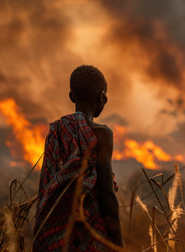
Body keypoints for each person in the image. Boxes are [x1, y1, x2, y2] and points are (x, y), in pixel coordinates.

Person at [33, 65, 124, 251]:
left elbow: (47, 186)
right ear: (103, 97)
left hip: (55, 235)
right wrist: (119, 243)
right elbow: (107, 193)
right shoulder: (102, 134)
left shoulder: (56, 130)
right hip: (91, 233)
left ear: (71, 96)